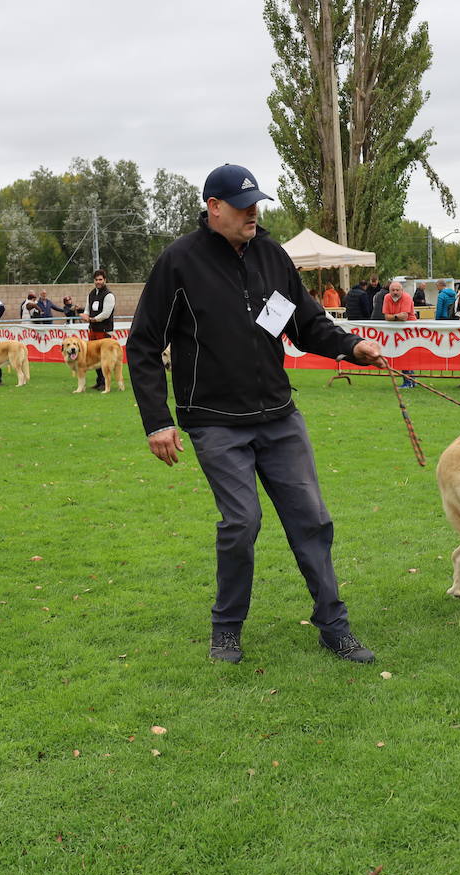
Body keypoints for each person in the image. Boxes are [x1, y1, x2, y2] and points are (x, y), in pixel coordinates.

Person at [125, 163, 385, 665]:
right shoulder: (178, 262)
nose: (253, 212)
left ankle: (334, 626)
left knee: (312, 519)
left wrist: (352, 345)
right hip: (214, 420)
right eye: (243, 204)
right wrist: (158, 421)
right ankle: (226, 630)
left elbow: (304, 324)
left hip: (279, 417)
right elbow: (143, 344)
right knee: (242, 522)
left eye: (257, 203)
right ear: (213, 208)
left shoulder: (272, 256)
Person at [84, 268, 115, 390]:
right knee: (93, 357)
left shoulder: (109, 295)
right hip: (93, 330)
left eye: (100, 279)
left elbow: (106, 314)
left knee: (104, 358)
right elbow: (87, 309)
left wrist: (93, 319)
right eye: (96, 279)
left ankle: (105, 383)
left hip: (104, 331)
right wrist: (86, 316)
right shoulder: (91, 294)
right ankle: (99, 381)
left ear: (105, 280)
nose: (98, 282)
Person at [382, 280, 416, 389]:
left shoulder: (407, 297)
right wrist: (397, 316)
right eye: (393, 290)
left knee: (406, 355)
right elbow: (386, 317)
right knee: (402, 354)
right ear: (389, 291)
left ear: (402, 291)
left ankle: (409, 381)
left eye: (397, 290)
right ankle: (411, 381)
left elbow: (404, 317)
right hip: (396, 330)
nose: (395, 292)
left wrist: (393, 317)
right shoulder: (387, 297)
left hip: (409, 329)